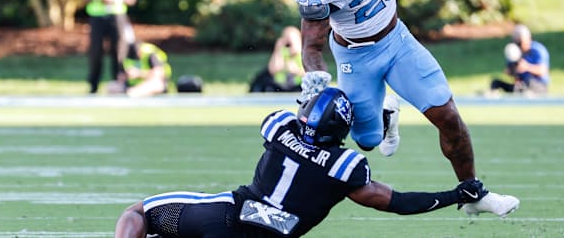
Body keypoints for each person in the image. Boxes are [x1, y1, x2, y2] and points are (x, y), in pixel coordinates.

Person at [292, 0, 518, 216]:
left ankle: (473, 193)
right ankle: (387, 115)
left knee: (448, 116)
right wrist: (316, 76)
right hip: (354, 57)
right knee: (367, 140)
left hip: (398, 42)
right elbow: (312, 46)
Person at [115, 88, 515, 238]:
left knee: (138, 214)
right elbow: (397, 202)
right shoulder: (345, 168)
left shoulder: (279, 127)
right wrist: (453, 194)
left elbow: (294, 121)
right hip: (270, 236)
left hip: (224, 218)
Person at [80, 0, 137, 94]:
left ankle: (119, 83)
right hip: (97, 16)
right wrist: (99, 0)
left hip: (117, 15)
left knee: (119, 51)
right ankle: (93, 85)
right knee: (96, 51)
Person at [489, 24, 550, 96]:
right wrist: (511, 71)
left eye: (520, 42)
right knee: (496, 82)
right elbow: (512, 73)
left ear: (528, 38)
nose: (518, 45)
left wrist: (527, 67)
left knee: (529, 83)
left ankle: (526, 93)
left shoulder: (537, 50)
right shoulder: (515, 51)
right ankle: (490, 95)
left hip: (538, 85)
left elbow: (543, 71)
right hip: (520, 86)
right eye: (516, 42)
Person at [249, 26, 305, 92]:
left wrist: (296, 70)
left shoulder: (303, 54)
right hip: (280, 86)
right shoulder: (282, 52)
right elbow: (272, 70)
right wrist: (278, 49)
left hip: (298, 86)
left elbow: (308, 74)